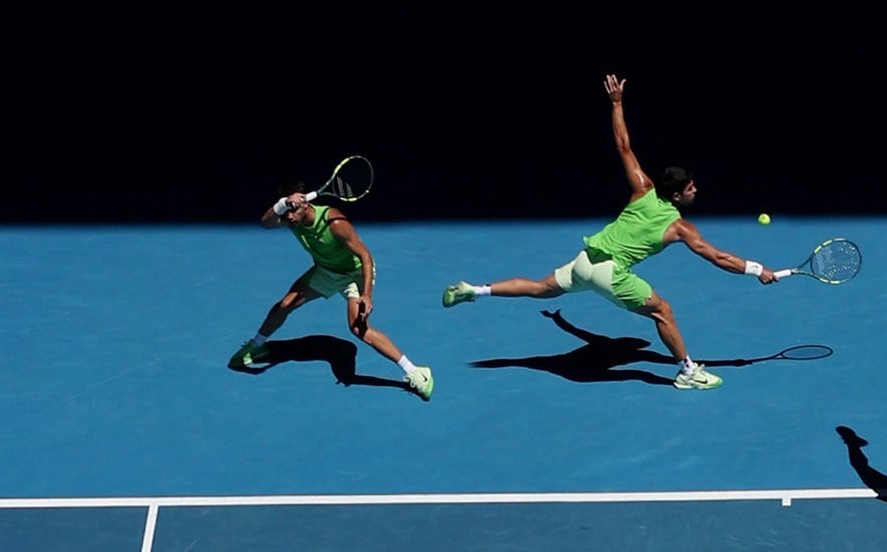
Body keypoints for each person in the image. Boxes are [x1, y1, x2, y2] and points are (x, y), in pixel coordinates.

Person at [437, 74, 764, 390]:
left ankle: (474, 290)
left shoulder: (642, 189)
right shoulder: (680, 227)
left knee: (540, 287)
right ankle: (687, 372)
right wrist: (757, 269)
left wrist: (617, 103)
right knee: (662, 311)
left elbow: (623, 146)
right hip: (610, 274)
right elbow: (718, 257)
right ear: (677, 195)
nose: (696, 191)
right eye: (691, 188)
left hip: (585, 261)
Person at [233, 181, 436, 398]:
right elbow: (266, 223)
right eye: (286, 210)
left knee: (359, 329)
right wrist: (284, 204)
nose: (288, 217)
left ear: (306, 204)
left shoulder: (335, 222)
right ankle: (257, 345)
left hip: (354, 275)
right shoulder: (291, 218)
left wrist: (367, 294)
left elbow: (365, 256)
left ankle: (416, 371)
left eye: (292, 210)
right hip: (325, 271)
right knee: (285, 304)